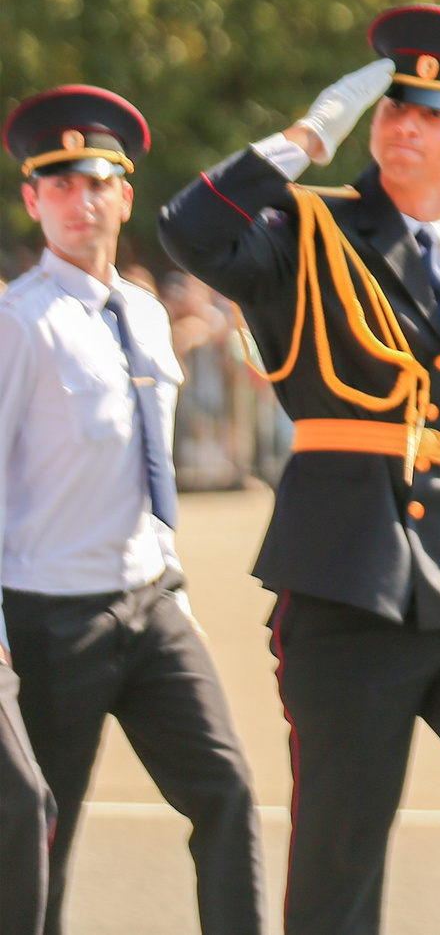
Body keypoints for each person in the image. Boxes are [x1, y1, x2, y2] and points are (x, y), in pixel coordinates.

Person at [158, 6, 440, 935]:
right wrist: (304, 139)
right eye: (395, 106)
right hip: (346, 586)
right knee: (340, 864)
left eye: (434, 114)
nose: (404, 126)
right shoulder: (307, 228)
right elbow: (190, 233)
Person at [0, 87, 262, 935]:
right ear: (33, 200)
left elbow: (144, 467)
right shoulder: (19, 324)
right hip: (52, 617)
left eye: (97, 183)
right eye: (60, 185)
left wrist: (172, 582)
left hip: (151, 601)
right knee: (43, 831)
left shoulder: (146, 316)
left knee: (227, 793)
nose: (80, 201)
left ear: (125, 195)